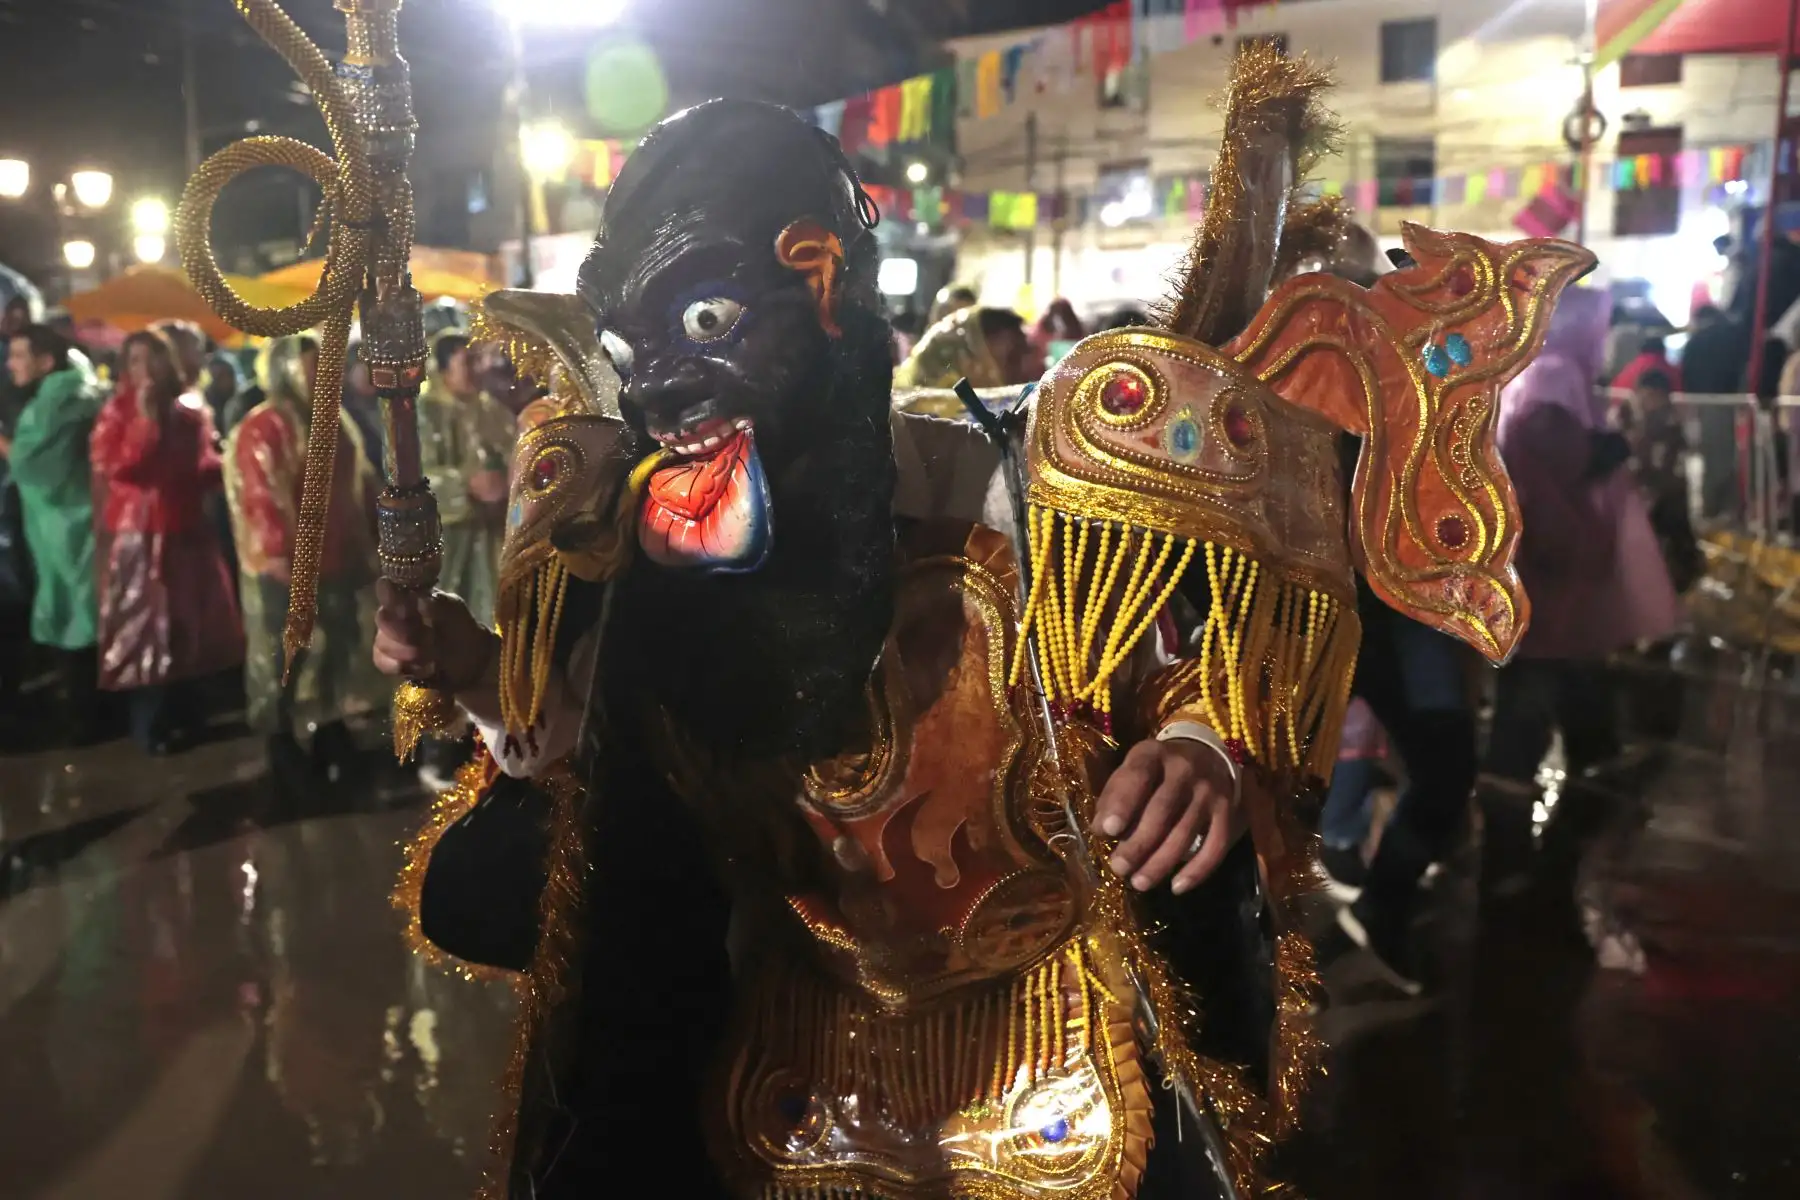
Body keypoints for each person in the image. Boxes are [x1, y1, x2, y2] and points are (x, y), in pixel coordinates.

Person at [375, 83, 1582, 1200]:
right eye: (639, 355)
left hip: (1048, 1048)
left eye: (709, 317)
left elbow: (1189, 660)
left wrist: (1204, 750)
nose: (666, 393)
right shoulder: (655, 541)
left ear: (827, 282)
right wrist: (487, 679)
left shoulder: (1025, 489)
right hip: (793, 1061)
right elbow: (610, 785)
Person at [1487, 288, 1680, 808]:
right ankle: (1509, 774)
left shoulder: (1541, 373)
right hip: (1554, 553)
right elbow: (1556, 460)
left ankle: (1592, 747)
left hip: (1549, 553)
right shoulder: (1554, 377)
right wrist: (1608, 451)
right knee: (1543, 660)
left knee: (1571, 655)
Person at [225, 334, 385, 778]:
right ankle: (278, 734)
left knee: (337, 645)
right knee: (284, 655)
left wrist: (376, 530)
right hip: (289, 567)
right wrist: (280, 554)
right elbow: (261, 496)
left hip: (337, 559)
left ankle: (329, 724)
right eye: (315, 367)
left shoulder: (333, 420)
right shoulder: (268, 425)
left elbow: (362, 482)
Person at [90, 328, 243, 753]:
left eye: (152, 359)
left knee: (187, 627)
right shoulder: (117, 413)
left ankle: (186, 714)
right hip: (140, 538)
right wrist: (144, 421)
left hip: (186, 534)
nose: (145, 370)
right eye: (135, 361)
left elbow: (202, 469)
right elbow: (121, 468)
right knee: (145, 632)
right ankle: (149, 725)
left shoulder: (189, 412)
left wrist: (224, 462)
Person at [1, 324, 104, 741]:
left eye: (18, 355)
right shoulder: (72, 389)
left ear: (45, 361)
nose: (10, 364)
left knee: (73, 616)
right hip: (69, 523)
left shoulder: (58, 401)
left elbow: (29, 462)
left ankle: (86, 719)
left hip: (69, 526)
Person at [418, 331, 514, 625]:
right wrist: (466, 485)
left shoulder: (493, 411)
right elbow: (413, 477)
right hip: (446, 537)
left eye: (476, 361)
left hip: (493, 534)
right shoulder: (424, 412)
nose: (475, 370)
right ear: (443, 368)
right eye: (465, 362)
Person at [1619, 368, 1702, 594]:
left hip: (1666, 501)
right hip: (1647, 501)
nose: (1645, 401)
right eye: (1642, 395)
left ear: (1662, 396)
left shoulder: (1670, 427)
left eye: (1651, 396)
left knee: (1674, 547)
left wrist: (1652, 492)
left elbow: (1668, 467)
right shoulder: (1636, 423)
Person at [891, 305, 1039, 417]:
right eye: (1012, 359)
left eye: (1027, 353)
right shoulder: (911, 424)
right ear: (966, 362)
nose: (1027, 368)